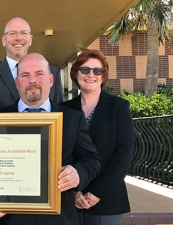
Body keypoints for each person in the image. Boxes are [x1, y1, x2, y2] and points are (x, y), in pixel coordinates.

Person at [0, 53, 101, 225]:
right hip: (9, 219)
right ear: (17, 83)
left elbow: (92, 159)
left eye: (39, 74)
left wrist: (78, 172)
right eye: (25, 75)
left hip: (59, 218)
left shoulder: (72, 119)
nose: (33, 80)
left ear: (51, 80)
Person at [61, 48, 134, 225]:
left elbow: (124, 154)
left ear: (103, 75)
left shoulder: (119, 107)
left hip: (107, 199)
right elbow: (61, 154)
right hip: (70, 200)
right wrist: (75, 191)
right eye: (84, 69)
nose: (90, 75)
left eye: (97, 70)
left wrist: (97, 193)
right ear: (76, 74)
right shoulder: (64, 109)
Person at [0, 17, 63, 112]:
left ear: (30, 39)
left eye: (24, 33)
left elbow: (59, 112)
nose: (18, 38)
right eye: (12, 33)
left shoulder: (52, 72)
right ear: (4, 40)